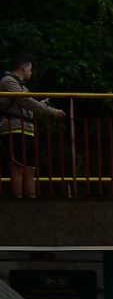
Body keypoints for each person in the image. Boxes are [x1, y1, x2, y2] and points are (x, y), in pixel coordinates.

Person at [0, 57, 64, 199]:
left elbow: (27, 105)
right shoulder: (8, 81)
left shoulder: (22, 86)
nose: (31, 72)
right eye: (30, 69)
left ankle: (31, 200)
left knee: (30, 168)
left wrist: (41, 105)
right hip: (15, 127)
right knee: (18, 166)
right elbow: (25, 101)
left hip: (27, 128)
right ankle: (18, 201)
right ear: (23, 67)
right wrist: (51, 111)